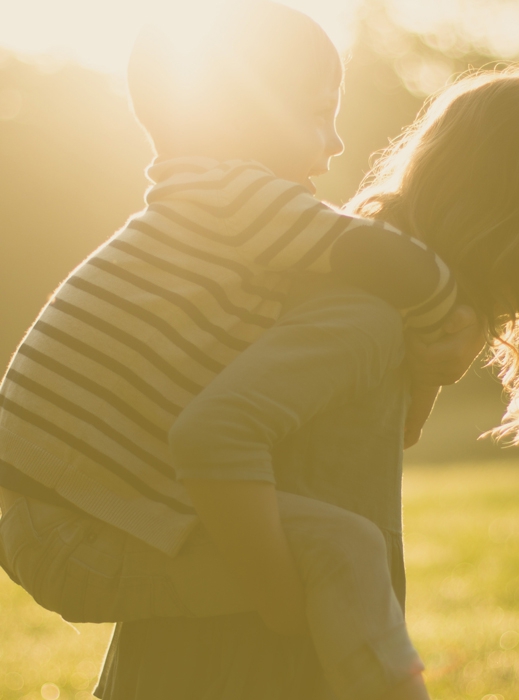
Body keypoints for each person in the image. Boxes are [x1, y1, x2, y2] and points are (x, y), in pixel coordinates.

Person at [95, 62, 519, 700]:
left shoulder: (382, 310)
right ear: (503, 225)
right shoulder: (364, 317)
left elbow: (369, 439)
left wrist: (436, 358)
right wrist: (283, 604)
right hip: (237, 656)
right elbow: (215, 434)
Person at [0, 4, 481, 700]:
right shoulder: (234, 196)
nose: (338, 141)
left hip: (64, 516)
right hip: (76, 525)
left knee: (324, 554)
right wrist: (450, 323)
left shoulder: (204, 209)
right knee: (343, 553)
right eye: (319, 114)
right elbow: (384, 260)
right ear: (240, 116)